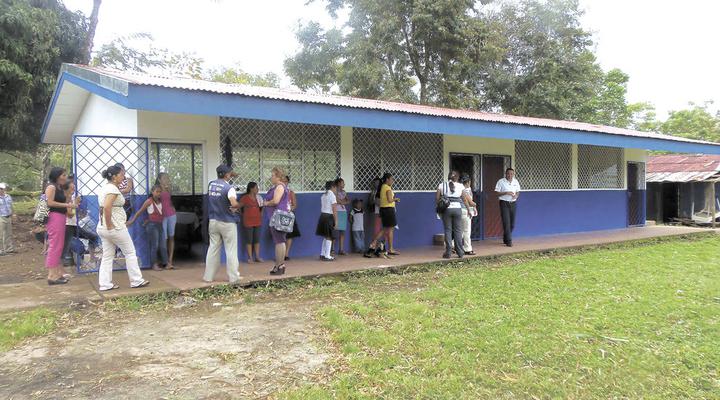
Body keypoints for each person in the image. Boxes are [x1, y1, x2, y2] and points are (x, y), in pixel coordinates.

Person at [96, 165, 149, 291]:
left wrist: (106, 224)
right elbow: (108, 207)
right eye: (121, 174)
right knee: (130, 252)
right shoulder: (112, 190)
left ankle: (105, 284)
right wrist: (110, 225)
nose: (123, 177)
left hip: (104, 227)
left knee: (108, 256)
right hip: (115, 228)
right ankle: (136, 280)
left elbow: (103, 208)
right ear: (114, 177)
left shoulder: (105, 188)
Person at [204, 165, 242, 284]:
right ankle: (233, 277)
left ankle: (208, 277)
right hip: (227, 222)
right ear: (226, 175)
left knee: (213, 249)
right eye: (230, 173)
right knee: (230, 250)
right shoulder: (229, 188)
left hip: (213, 221)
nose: (231, 175)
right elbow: (233, 202)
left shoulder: (211, 185)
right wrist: (238, 206)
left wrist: (232, 174)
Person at [44, 168, 78, 285]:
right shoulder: (51, 187)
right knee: (55, 245)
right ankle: (52, 275)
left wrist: (68, 195)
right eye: (63, 175)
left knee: (58, 246)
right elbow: (49, 202)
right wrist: (67, 204)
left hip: (60, 216)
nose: (65, 177)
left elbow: (66, 202)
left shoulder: (58, 187)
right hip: (54, 217)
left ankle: (56, 273)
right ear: (57, 176)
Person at [127, 184, 168, 271]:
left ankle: (166, 263)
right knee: (155, 246)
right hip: (152, 226)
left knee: (163, 245)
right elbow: (139, 212)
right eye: (157, 192)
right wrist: (132, 221)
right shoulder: (149, 201)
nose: (159, 193)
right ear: (152, 192)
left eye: (160, 192)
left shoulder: (161, 202)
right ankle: (154, 264)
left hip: (160, 225)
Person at [61, 178, 100, 267]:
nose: (74, 190)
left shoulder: (70, 199)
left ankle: (92, 257)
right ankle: (63, 266)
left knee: (93, 237)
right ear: (66, 189)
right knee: (70, 246)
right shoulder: (64, 200)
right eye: (72, 189)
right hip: (67, 226)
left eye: (74, 188)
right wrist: (75, 204)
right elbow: (69, 214)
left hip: (74, 225)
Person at [263, 167, 291, 275]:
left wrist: (266, 203)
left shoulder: (279, 187)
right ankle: (279, 265)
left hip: (277, 217)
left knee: (279, 241)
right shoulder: (279, 187)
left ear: (278, 177)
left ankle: (280, 265)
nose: (271, 177)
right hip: (278, 217)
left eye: (273, 175)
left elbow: (275, 201)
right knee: (280, 241)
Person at [365, 173, 400, 257]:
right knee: (390, 229)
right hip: (388, 210)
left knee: (384, 229)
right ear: (387, 179)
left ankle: (373, 243)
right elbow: (389, 199)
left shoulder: (382, 187)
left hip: (384, 210)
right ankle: (390, 248)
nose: (392, 181)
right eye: (391, 179)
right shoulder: (387, 188)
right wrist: (396, 199)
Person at [437, 171, 465, 259]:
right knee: (458, 230)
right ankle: (460, 252)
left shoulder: (442, 185)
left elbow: (437, 199)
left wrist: (440, 208)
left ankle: (448, 252)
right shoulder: (460, 186)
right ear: (457, 177)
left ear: (448, 177)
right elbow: (464, 198)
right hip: (457, 209)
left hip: (447, 209)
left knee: (448, 230)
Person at [156, 173, 177, 269]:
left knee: (171, 237)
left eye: (167, 178)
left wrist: (173, 208)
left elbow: (169, 200)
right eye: (164, 178)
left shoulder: (168, 188)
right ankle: (164, 261)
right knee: (163, 238)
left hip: (171, 215)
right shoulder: (157, 189)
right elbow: (155, 201)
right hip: (162, 216)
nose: (167, 180)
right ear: (159, 180)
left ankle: (170, 260)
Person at [495, 167, 521, 247]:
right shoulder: (501, 181)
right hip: (504, 203)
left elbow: (518, 191)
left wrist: (516, 196)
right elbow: (497, 193)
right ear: (505, 174)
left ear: (513, 174)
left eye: (511, 174)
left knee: (512, 224)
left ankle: (506, 237)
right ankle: (509, 241)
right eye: (508, 173)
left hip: (513, 203)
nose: (510, 175)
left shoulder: (515, 181)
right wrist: (506, 192)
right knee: (506, 222)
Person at [239, 181, 263, 264]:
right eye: (256, 188)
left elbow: (262, 209)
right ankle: (250, 258)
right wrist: (244, 215)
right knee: (249, 240)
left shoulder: (259, 198)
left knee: (257, 240)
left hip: (257, 221)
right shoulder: (245, 198)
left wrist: (260, 216)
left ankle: (257, 257)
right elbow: (239, 207)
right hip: (248, 222)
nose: (258, 189)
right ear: (251, 189)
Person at [316, 180, 339, 261]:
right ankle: (327, 255)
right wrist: (336, 221)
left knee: (326, 236)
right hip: (329, 216)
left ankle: (322, 254)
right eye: (336, 187)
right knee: (329, 236)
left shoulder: (324, 195)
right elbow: (334, 209)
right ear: (333, 187)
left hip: (322, 216)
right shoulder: (332, 195)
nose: (336, 189)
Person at [283, 175, 301, 261]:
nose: (284, 183)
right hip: (280, 216)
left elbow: (295, 205)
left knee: (289, 235)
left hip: (289, 216)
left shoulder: (291, 193)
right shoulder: (277, 192)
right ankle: (280, 253)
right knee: (280, 235)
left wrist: (290, 209)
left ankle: (286, 254)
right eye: (282, 181)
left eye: (286, 181)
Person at [460, 174, 478, 256]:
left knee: (460, 231)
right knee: (467, 231)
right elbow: (470, 202)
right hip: (466, 211)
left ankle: (453, 245)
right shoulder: (466, 190)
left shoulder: (459, 189)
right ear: (468, 182)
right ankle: (467, 248)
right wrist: (475, 204)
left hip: (460, 211)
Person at [333, 178, 349, 255]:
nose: (344, 184)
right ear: (338, 183)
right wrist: (342, 202)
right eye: (342, 183)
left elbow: (348, 201)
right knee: (335, 231)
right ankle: (332, 249)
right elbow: (337, 201)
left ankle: (341, 249)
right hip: (337, 212)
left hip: (343, 212)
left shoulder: (344, 192)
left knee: (342, 232)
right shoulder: (334, 191)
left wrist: (342, 202)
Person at [0, 183, 14, 256]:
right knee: (1, 234)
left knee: (9, 233)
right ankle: (1, 250)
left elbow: (11, 206)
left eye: (2, 188)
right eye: (0, 188)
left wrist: (13, 214)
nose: (1, 190)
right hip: (1, 217)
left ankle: (9, 249)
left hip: (8, 217)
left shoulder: (8, 197)